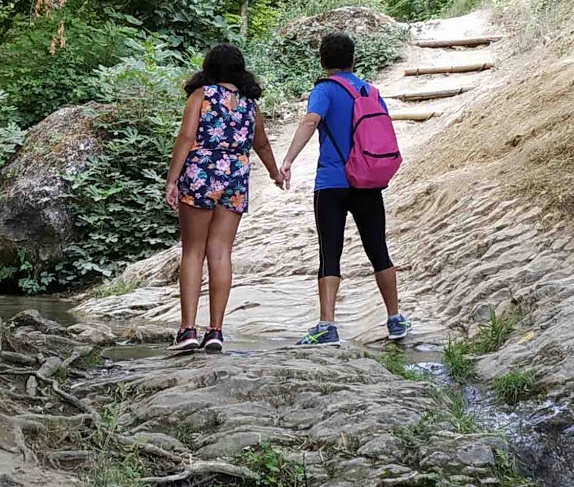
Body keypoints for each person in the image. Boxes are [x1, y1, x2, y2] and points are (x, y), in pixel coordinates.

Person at [280, 29, 409, 345]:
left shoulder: (324, 90)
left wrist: (288, 161)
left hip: (332, 182)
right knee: (379, 249)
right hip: (367, 180)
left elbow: (310, 122)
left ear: (323, 60)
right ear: (353, 59)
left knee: (330, 253)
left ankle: (327, 325)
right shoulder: (370, 91)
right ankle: (395, 319)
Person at [164, 42, 283, 353]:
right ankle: (215, 331)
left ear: (209, 69)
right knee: (220, 252)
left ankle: (188, 330)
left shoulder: (201, 96)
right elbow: (263, 146)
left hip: (201, 172)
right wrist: (275, 173)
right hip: (235, 176)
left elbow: (187, 137)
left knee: (193, 251)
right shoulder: (249, 106)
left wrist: (172, 179)